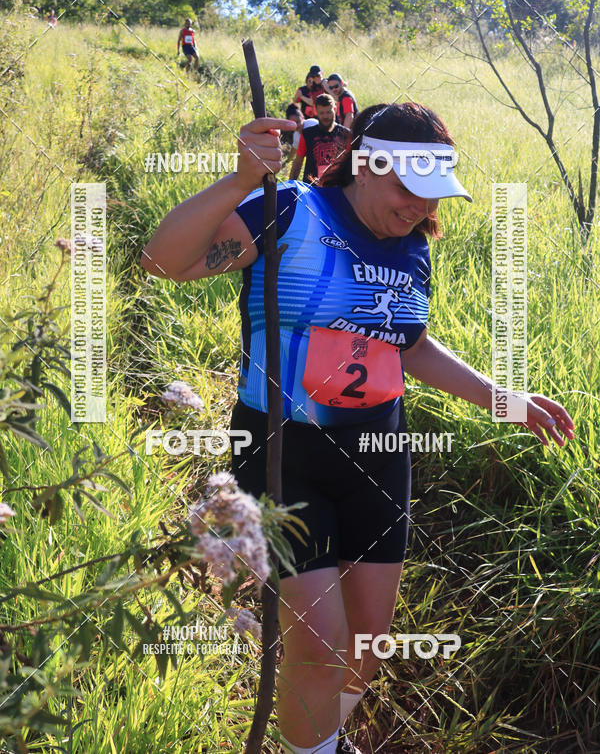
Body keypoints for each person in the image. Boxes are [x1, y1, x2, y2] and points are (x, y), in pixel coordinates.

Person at [140, 102, 575, 754]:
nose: (419, 207)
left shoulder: (411, 247)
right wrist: (237, 180)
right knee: (318, 647)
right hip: (281, 453)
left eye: (433, 194)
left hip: (378, 455)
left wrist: (499, 397)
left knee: (365, 647)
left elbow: (408, 344)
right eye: (408, 187)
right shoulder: (288, 210)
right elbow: (161, 261)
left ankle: (323, 739)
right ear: (366, 165)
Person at [289, 93, 350, 182]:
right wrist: (291, 186)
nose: (325, 116)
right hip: (311, 191)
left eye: (329, 112)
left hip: (337, 190)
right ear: (316, 112)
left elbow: (354, 164)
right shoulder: (307, 134)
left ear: (335, 110)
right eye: (321, 113)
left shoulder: (346, 135)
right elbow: (298, 163)